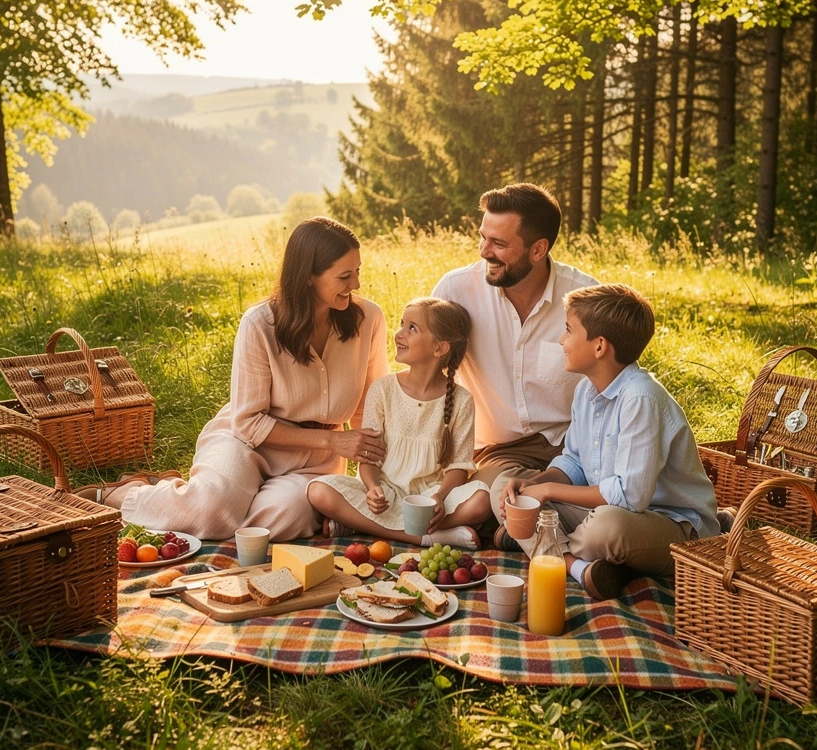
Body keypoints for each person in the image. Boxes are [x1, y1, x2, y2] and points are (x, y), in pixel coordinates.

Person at [78, 217, 389, 540]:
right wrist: (332, 441)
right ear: (309, 276)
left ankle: (207, 507)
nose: (356, 285)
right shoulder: (260, 324)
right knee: (211, 508)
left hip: (315, 461)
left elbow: (371, 408)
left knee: (287, 517)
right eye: (344, 275)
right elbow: (249, 422)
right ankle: (126, 494)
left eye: (358, 271)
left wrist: (377, 478)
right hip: (246, 441)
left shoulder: (369, 319)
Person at [498, 283, 719, 600]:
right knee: (504, 490)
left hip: (675, 528)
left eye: (568, 331)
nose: (561, 341)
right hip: (606, 511)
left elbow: (630, 497)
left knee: (606, 528)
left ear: (599, 347)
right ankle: (581, 568)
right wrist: (535, 482)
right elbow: (573, 461)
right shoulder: (586, 391)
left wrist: (546, 492)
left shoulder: (641, 399)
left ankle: (547, 547)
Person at [431, 183, 596, 513]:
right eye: (483, 237)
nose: (483, 250)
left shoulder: (586, 298)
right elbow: (425, 374)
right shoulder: (456, 290)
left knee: (624, 492)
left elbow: (613, 384)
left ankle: (526, 524)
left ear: (538, 250)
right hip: (502, 452)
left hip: (576, 445)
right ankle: (567, 522)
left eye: (498, 243)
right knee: (502, 493)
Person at [307, 298, 490, 549]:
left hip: (430, 497)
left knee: (481, 500)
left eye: (412, 328)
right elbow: (369, 458)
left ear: (440, 348)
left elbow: (458, 466)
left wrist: (439, 496)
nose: (399, 334)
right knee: (318, 491)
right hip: (386, 493)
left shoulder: (461, 400)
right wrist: (372, 488)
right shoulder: (383, 389)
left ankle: (360, 524)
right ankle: (428, 536)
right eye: (402, 324)